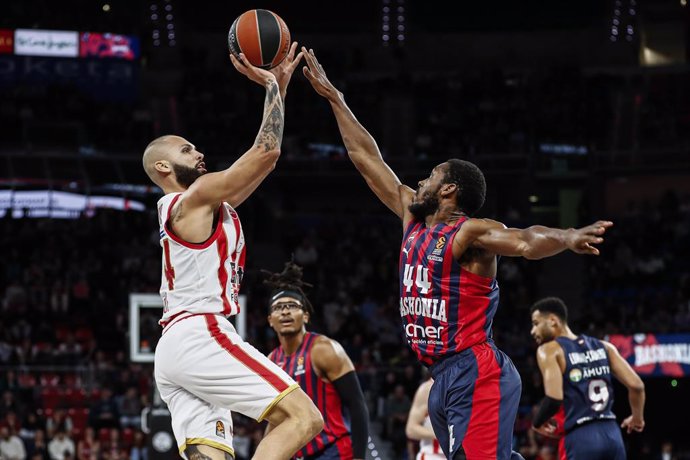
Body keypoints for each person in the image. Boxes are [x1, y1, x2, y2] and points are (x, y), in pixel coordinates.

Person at [301, 47, 613, 460]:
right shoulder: (413, 218)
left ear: (449, 190)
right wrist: (336, 100)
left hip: (476, 370)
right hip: (441, 377)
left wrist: (568, 236)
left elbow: (524, 240)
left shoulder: (469, 233)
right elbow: (365, 157)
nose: (421, 179)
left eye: (431, 176)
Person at [144, 43, 323, 460]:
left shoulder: (203, 205)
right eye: (186, 149)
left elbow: (265, 162)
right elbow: (268, 151)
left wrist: (276, 89)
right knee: (303, 418)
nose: (199, 152)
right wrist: (267, 86)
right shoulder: (195, 197)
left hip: (175, 347)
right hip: (200, 333)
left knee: (213, 456)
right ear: (163, 168)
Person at [264, 262, 369, 460]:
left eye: (292, 306)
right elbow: (276, 420)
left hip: (334, 451)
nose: (285, 311)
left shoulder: (323, 349)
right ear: (270, 319)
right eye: (278, 308)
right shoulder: (271, 361)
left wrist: (359, 457)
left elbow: (356, 403)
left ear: (305, 316)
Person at [529, 297, 645, 459]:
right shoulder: (605, 347)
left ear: (553, 320)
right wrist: (637, 418)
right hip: (612, 434)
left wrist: (537, 422)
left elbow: (554, 399)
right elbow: (637, 386)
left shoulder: (549, 350)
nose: (532, 331)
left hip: (581, 436)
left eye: (536, 323)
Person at [406, 378, 445, 460]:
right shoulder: (428, 388)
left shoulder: (470, 384)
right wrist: (443, 434)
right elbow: (411, 429)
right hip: (433, 455)